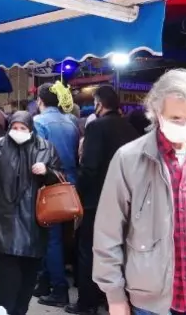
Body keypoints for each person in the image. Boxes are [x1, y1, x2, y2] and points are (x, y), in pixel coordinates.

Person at [93, 69, 186, 315]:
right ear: (157, 113)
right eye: (175, 117)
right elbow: (107, 234)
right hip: (148, 301)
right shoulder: (129, 159)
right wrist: (115, 296)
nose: (184, 124)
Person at [0, 111, 63, 315]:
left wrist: (47, 171)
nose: (18, 131)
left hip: (34, 220)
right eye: (14, 128)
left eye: (22, 128)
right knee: (7, 280)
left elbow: (61, 180)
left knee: (28, 277)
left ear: (30, 129)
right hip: (5, 219)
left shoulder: (45, 147)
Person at [67, 86, 139, 315]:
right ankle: (113, 300)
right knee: (120, 253)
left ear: (98, 103)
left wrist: (77, 193)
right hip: (126, 202)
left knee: (89, 251)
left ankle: (88, 303)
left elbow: (89, 168)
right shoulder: (130, 127)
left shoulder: (96, 127)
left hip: (96, 202)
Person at [33, 82, 80, 307]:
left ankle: (59, 288)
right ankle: (45, 282)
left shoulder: (38, 121)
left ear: (39, 101)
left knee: (50, 240)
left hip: (49, 185)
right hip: (71, 186)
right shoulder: (71, 121)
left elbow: (38, 156)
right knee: (63, 237)